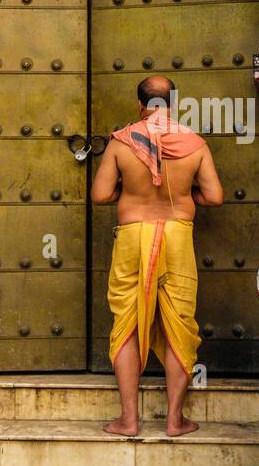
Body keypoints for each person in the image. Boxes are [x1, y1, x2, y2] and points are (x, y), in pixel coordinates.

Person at [91, 75, 223, 437]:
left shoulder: (121, 143)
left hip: (133, 235)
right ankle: (174, 420)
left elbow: (100, 196)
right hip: (178, 235)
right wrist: (183, 197)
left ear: (140, 105)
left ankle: (129, 420)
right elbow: (214, 196)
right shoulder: (194, 144)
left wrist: (130, 191)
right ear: (174, 103)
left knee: (127, 323)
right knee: (179, 325)